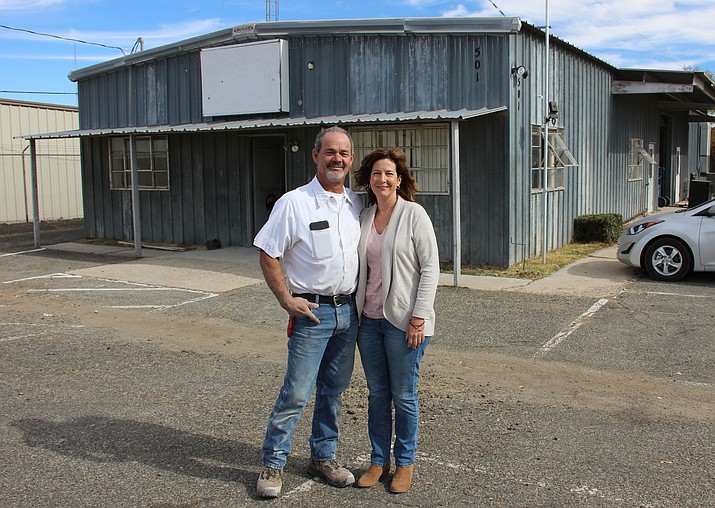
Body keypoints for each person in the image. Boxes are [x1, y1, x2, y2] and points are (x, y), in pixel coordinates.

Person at [253, 126, 362, 498]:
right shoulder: (294, 203)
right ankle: (273, 463)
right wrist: (287, 300)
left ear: (351, 159)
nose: (338, 159)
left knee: (333, 391)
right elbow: (268, 252)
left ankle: (323, 457)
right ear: (315, 156)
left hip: (348, 313)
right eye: (330, 152)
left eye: (344, 153)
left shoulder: (356, 204)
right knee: (297, 392)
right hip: (312, 314)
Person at [352, 147, 439, 494]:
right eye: (376, 173)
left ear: (399, 179)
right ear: (369, 180)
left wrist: (419, 317)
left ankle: (404, 464)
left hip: (404, 322)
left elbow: (431, 268)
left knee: (403, 395)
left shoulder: (414, 214)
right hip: (368, 321)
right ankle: (378, 461)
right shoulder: (364, 216)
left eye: (389, 174)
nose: (382, 179)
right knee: (377, 395)